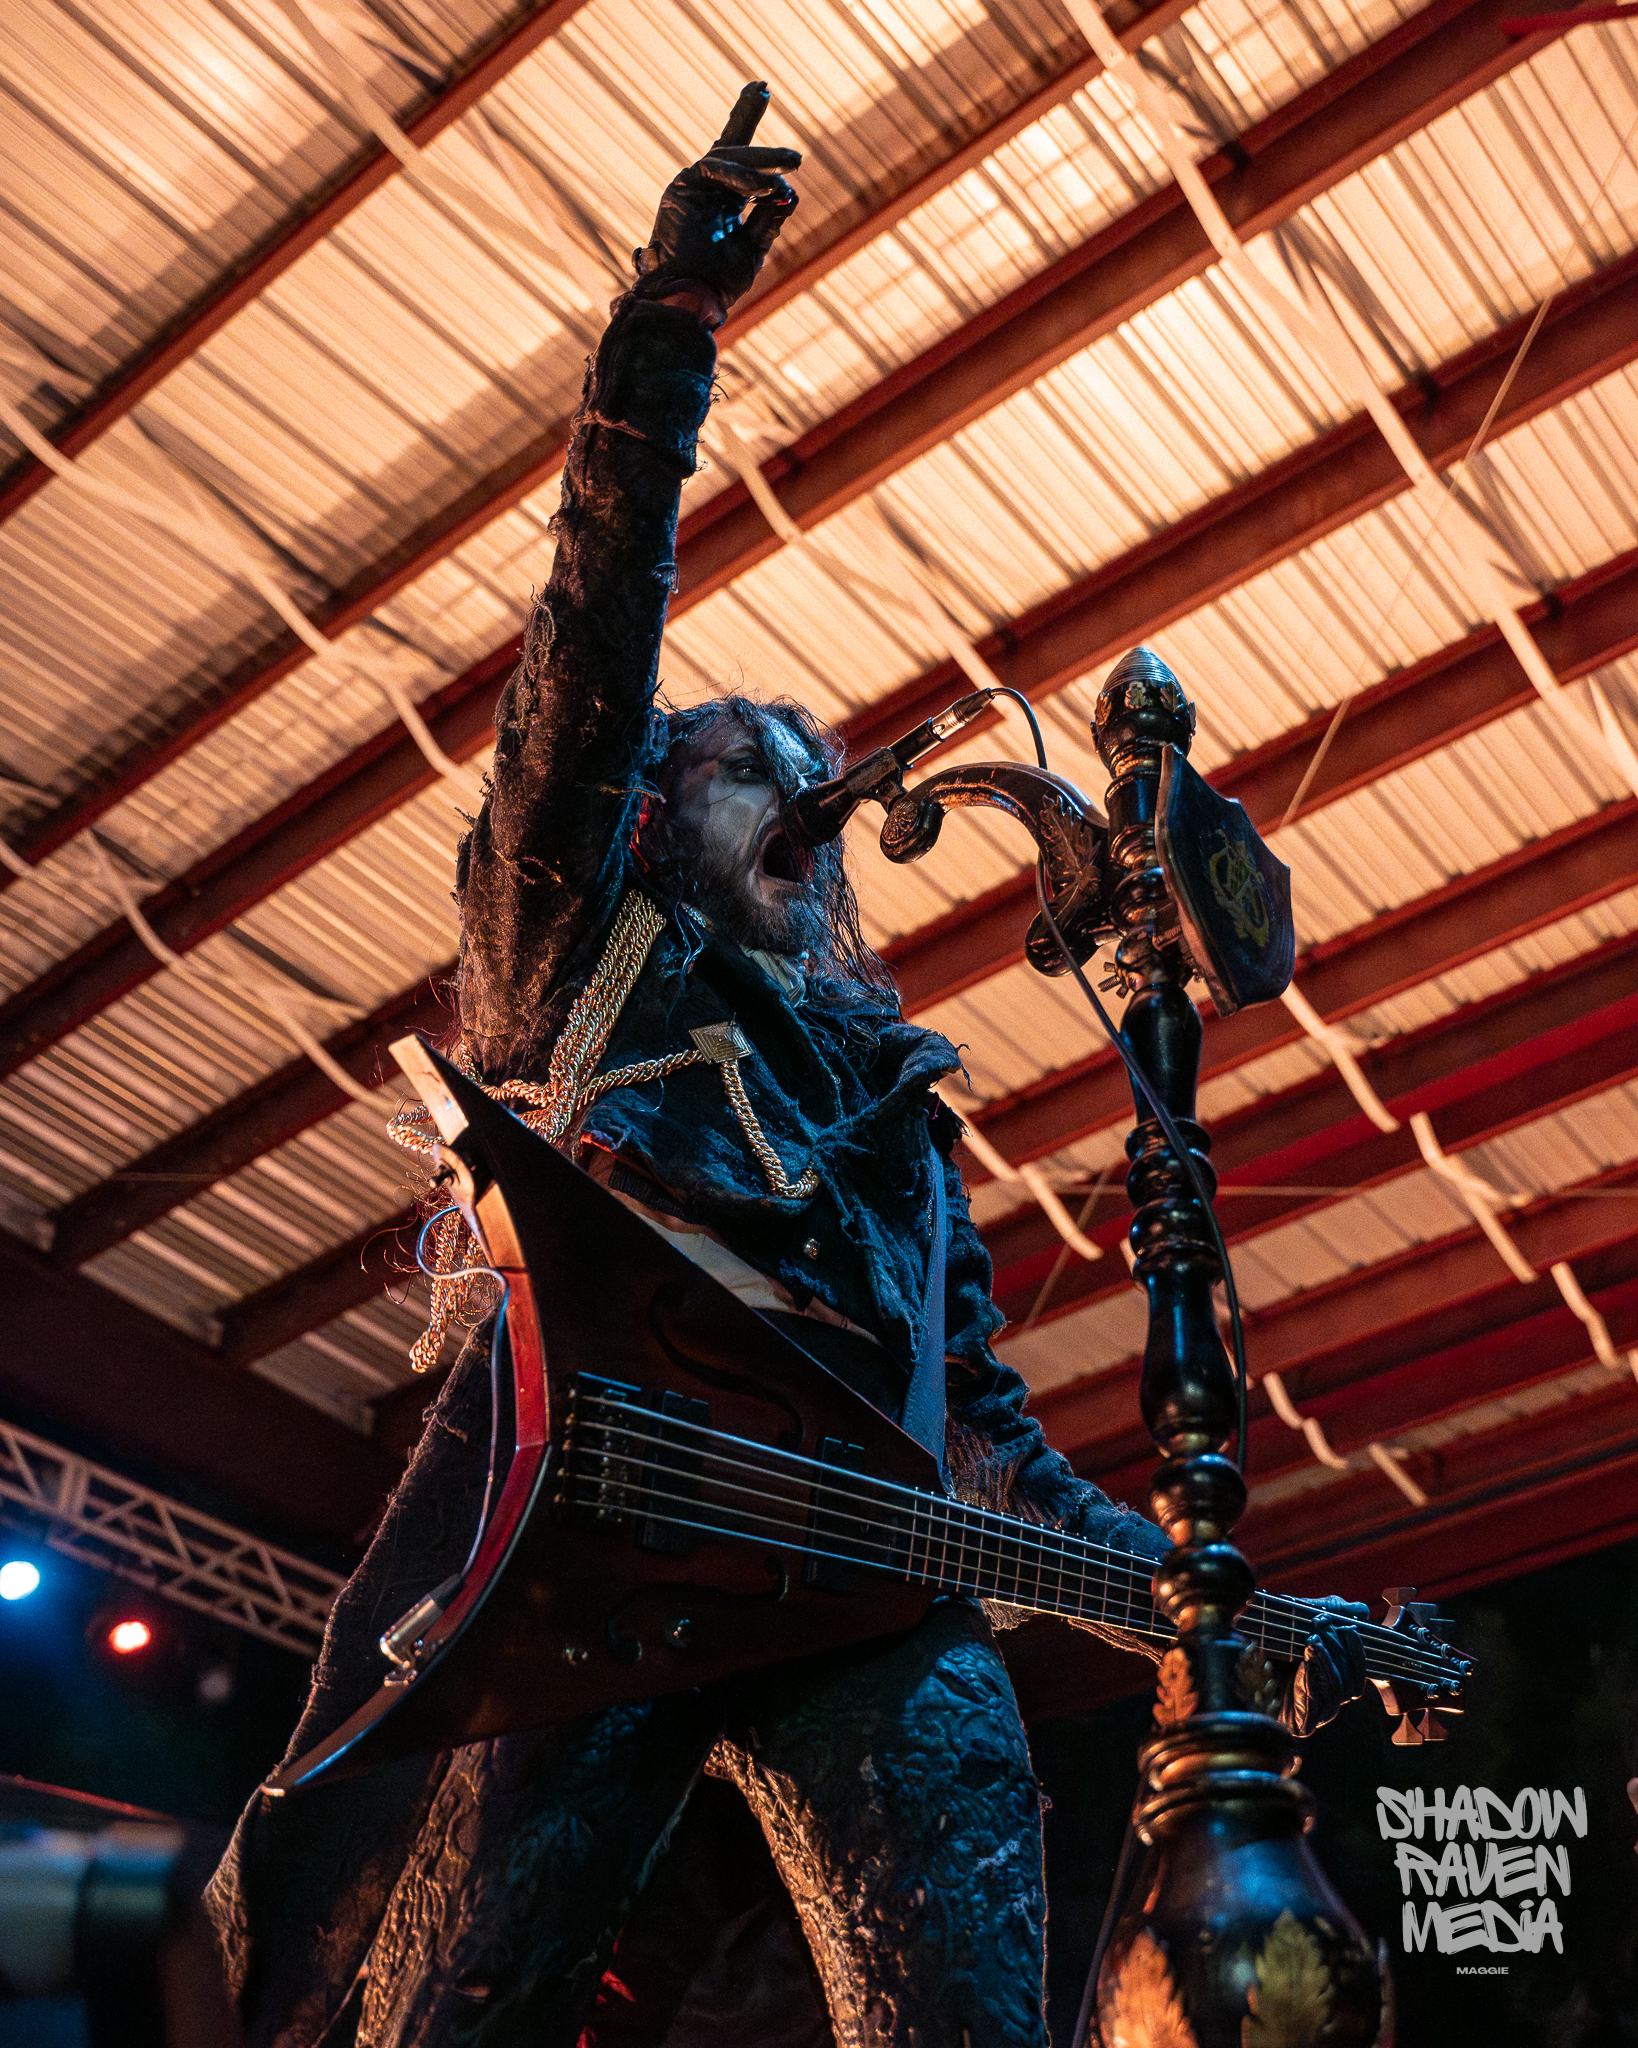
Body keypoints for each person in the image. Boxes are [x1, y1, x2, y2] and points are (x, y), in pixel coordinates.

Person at [207, 85, 1366, 2048]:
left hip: (861, 1604)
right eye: (747, 756)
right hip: (601, 1567)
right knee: (452, 2002)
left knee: (965, 1988)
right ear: (658, 811)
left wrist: (1218, 1608)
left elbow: (988, 1438)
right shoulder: (572, 945)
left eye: (803, 758)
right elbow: (584, 654)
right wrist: (660, 341)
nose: (799, 779)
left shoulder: (897, 1121)